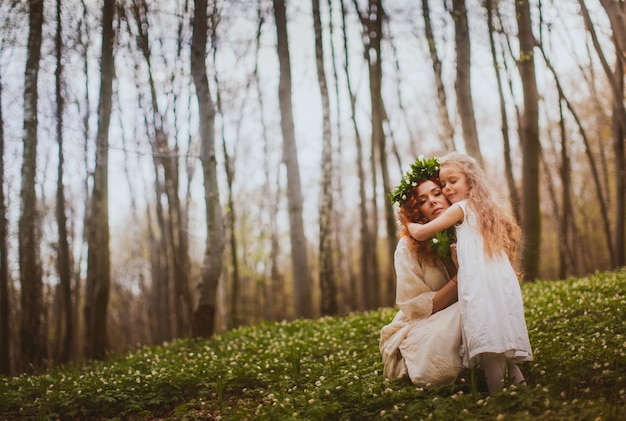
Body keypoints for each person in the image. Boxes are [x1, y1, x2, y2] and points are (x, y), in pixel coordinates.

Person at [407, 152, 533, 394]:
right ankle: (524, 393)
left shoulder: (461, 209)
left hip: (480, 291)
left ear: (471, 181)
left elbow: (423, 234)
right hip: (500, 289)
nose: (446, 189)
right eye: (443, 184)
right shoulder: (488, 210)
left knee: (488, 349)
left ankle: (499, 402)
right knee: (502, 349)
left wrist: (410, 224)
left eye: (453, 181)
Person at [380, 156, 463, 387]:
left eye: (437, 193)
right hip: (423, 321)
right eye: (423, 200)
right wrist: (459, 277)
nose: (434, 202)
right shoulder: (407, 248)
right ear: (416, 211)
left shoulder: (465, 228)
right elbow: (420, 309)